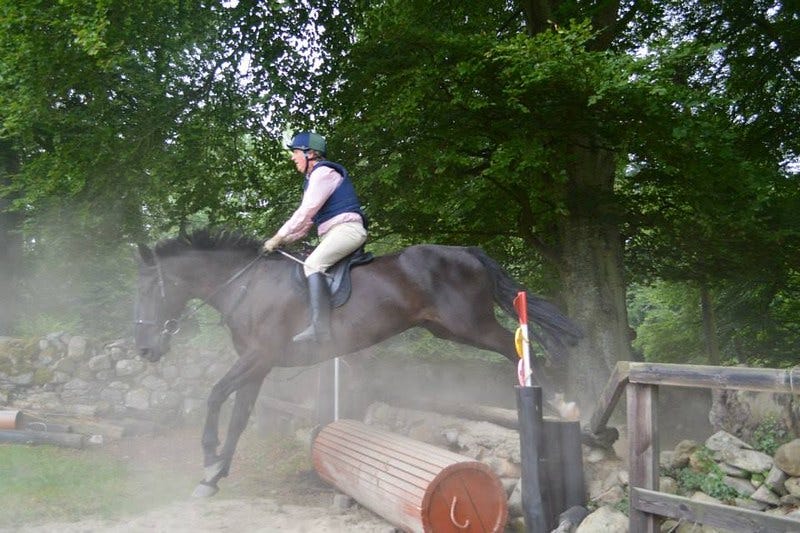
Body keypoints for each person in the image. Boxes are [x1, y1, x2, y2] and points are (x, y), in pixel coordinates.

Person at [262, 132, 368, 343]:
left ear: (309, 153)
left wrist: (278, 236)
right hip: (335, 233)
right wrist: (285, 241)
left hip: (347, 230)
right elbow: (307, 225)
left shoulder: (323, 173)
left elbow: (305, 212)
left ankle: (320, 329)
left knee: (313, 265)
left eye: (295, 152)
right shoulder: (312, 180)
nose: (292, 157)